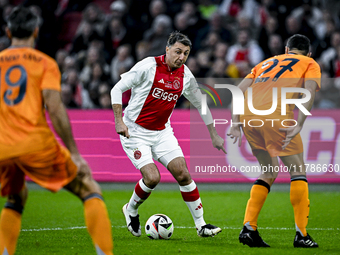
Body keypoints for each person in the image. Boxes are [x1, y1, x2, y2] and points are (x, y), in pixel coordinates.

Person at [0, 7, 113, 255]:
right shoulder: (44, 63)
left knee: (16, 197)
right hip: (34, 143)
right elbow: (55, 108)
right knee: (88, 188)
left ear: (8, 32)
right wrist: (74, 152)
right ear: (36, 31)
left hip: (2, 149)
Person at [111, 31, 226, 237]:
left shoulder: (185, 75)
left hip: (162, 132)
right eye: (178, 51)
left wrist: (213, 134)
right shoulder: (148, 67)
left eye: (186, 54)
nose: (181, 57)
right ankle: (131, 209)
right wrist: (119, 121)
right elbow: (116, 89)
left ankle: (201, 226)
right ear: (167, 49)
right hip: (135, 131)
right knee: (153, 178)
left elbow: (201, 105)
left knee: (183, 174)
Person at [228, 34, 321, 248]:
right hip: (277, 116)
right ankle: (302, 235)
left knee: (268, 171)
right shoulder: (310, 63)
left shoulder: (265, 62)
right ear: (308, 52)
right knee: (298, 172)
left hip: (249, 118)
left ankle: (249, 229)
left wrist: (235, 122)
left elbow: (238, 91)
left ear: (287, 50)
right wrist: (299, 123)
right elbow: (308, 91)